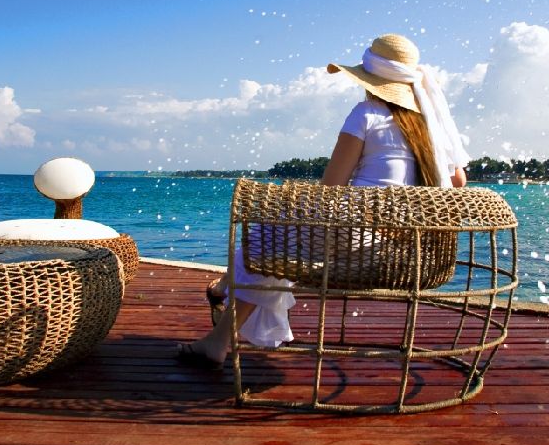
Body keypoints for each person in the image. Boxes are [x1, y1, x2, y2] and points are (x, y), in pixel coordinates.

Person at [176, 33, 470, 368]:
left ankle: (219, 328)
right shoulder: (429, 128)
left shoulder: (366, 114)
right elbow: (457, 181)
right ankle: (221, 300)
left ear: (369, 80)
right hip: (404, 246)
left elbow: (330, 188)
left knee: (264, 240)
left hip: (358, 235)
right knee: (272, 241)